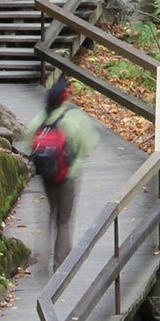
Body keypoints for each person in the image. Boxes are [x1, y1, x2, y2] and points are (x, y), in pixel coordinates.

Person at [18, 77, 99, 269]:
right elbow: (90, 142)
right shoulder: (73, 116)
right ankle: (60, 265)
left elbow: (28, 139)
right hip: (68, 175)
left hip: (46, 175)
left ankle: (43, 259)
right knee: (64, 221)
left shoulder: (42, 117)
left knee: (51, 214)